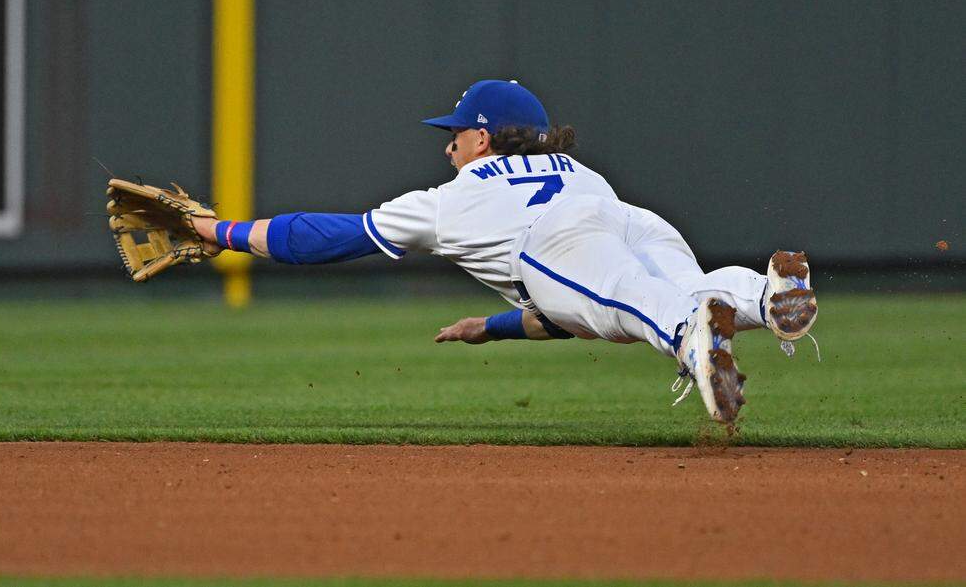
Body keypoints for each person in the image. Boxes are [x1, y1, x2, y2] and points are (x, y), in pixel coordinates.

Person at [189, 80, 818, 423]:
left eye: (456, 134)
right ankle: (766, 295)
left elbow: (325, 237)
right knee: (682, 286)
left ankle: (691, 339)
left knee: (632, 302)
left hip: (556, 244)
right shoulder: (570, 165)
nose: (449, 147)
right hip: (626, 216)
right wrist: (488, 328)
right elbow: (570, 314)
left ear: (483, 138)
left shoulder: (456, 197)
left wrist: (220, 232)